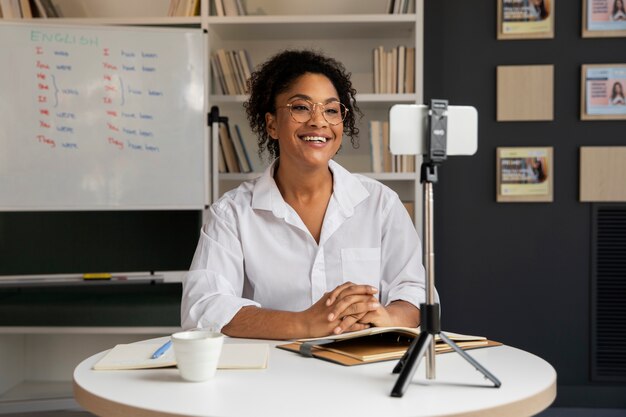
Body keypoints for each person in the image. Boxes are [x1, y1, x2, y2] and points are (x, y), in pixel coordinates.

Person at [181, 50, 425, 340]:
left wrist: (386, 316)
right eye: (301, 107)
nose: (319, 121)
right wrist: (303, 324)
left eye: (331, 110)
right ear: (271, 124)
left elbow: (415, 293)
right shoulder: (231, 212)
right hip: (268, 375)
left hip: (362, 371)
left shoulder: (381, 204)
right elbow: (203, 306)